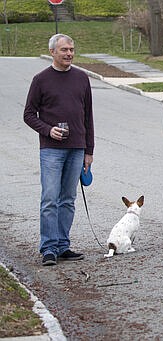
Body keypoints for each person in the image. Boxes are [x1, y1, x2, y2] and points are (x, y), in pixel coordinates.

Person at [23, 33, 94, 266]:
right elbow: (28, 115)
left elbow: (87, 116)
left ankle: (63, 245)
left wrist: (89, 150)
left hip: (77, 147)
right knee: (50, 199)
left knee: (68, 199)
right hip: (51, 149)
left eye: (72, 49)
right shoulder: (40, 79)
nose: (69, 54)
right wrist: (47, 130)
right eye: (64, 50)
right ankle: (49, 248)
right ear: (52, 51)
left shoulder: (82, 78)